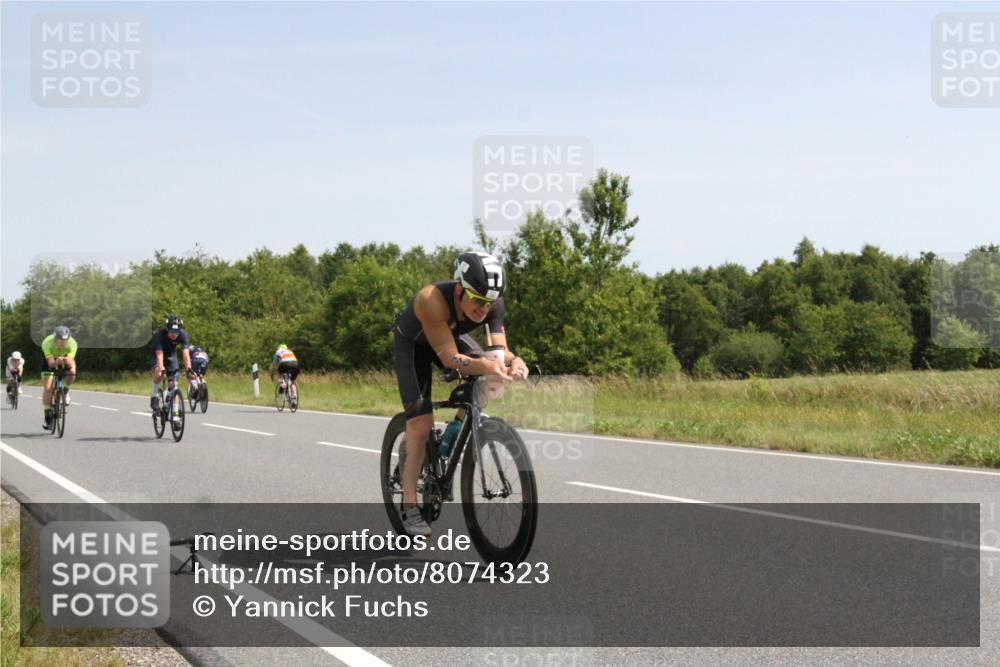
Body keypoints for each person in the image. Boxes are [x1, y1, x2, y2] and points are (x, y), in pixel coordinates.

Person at [393, 252, 529, 536]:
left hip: (448, 338)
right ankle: (409, 505)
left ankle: (454, 430)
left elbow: (497, 352)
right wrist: (487, 364)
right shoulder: (430, 300)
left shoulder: (491, 302)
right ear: (459, 289)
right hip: (415, 345)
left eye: (489, 303)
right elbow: (450, 359)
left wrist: (514, 361)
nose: (483, 309)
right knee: (420, 424)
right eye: (477, 300)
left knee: (492, 380)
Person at [150, 315, 192, 412]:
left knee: (174, 386)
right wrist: (162, 368)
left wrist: (189, 369)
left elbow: (186, 354)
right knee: (160, 373)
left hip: (171, 355)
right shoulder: (160, 334)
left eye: (176, 332)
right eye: (171, 331)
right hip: (157, 353)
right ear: (167, 328)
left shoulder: (183, 335)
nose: (174, 334)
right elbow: (159, 354)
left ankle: (175, 414)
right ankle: (154, 396)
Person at [40, 326, 78, 429]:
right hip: (50, 360)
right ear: (55, 338)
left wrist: (67, 362)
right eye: (60, 341)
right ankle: (47, 415)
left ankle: (64, 392)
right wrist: (56, 362)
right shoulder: (47, 343)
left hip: (65, 358)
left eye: (65, 341)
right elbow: (51, 364)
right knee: (48, 388)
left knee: (72, 372)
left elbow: (70, 362)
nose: (63, 343)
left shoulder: (73, 343)